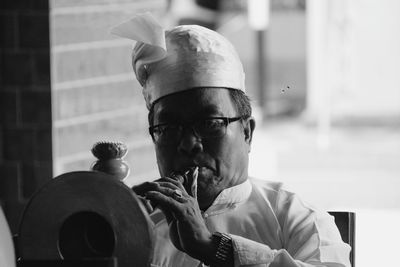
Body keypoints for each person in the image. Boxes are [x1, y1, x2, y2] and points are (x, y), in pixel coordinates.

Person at [111, 13, 351, 267]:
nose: (189, 143)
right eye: (169, 128)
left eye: (210, 124)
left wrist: (215, 249)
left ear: (247, 133)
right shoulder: (133, 227)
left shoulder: (295, 218)